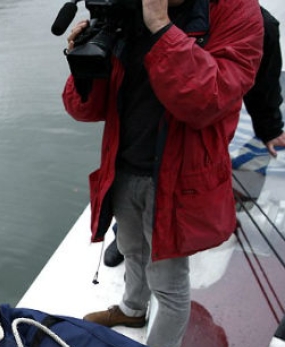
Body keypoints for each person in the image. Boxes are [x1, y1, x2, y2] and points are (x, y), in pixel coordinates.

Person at [63, 0, 263, 347]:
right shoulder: (125, 12)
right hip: (123, 163)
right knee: (130, 248)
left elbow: (208, 99)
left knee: (168, 281)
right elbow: (86, 109)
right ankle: (132, 310)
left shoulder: (235, 11)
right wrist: (84, 60)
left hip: (179, 174)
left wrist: (160, 24)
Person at [103, 4, 284, 268]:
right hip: (141, 132)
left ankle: (203, 222)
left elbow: (261, 76)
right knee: (138, 164)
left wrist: (269, 127)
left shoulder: (251, 18)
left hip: (201, 116)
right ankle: (127, 233)